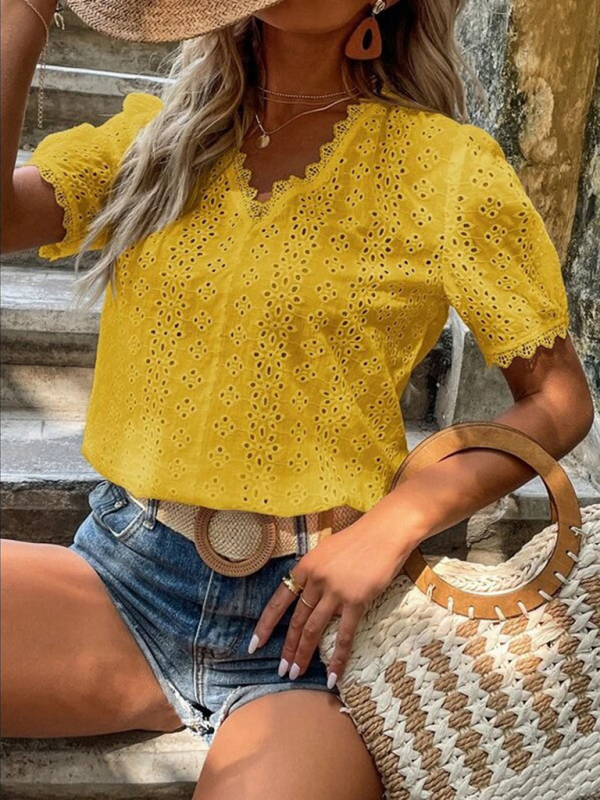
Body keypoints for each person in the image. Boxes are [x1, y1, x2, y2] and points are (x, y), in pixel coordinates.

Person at [1, 0, 594, 798]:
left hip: (310, 632)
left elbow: (559, 399)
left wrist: (395, 522)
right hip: (123, 579)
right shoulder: (156, 140)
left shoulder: (447, 170)